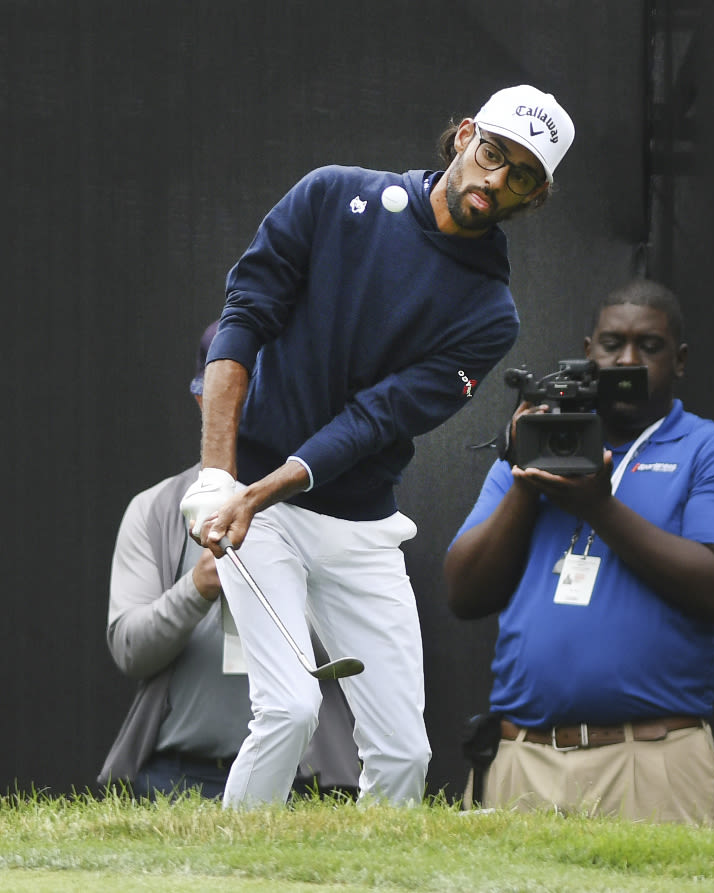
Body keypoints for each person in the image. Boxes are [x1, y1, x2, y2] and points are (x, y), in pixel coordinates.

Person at [178, 85, 576, 808]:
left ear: (536, 196)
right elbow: (244, 316)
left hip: (355, 525)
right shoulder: (331, 196)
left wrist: (256, 491)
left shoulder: (490, 313)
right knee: (291, 709)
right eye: (493, 153)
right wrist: (217, 474)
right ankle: (225, 871)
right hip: (255, 503)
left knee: (405, 750)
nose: (496, 179)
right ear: (463, 137)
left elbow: (375, 419)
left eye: (521, 174)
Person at [444, 278, 714, 827]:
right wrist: (528, 478)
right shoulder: (535, 446)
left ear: (680, 359)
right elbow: (465, 594)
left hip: (651, 761)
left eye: (650, 346)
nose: (627, 359)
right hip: (525, 758)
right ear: (587, 350)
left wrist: (599, 507)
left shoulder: (713, 452)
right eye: (612, 343)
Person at [98, 322, 360, 800]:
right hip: (177, 777)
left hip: (305, 781)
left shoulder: (335, 506)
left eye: (264, 397)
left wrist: (280, 581)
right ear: (203, 401)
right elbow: (130, 651)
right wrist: (196, 587)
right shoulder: (156, 508)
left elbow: (364, 650)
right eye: (229, 395)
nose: (246, 412)